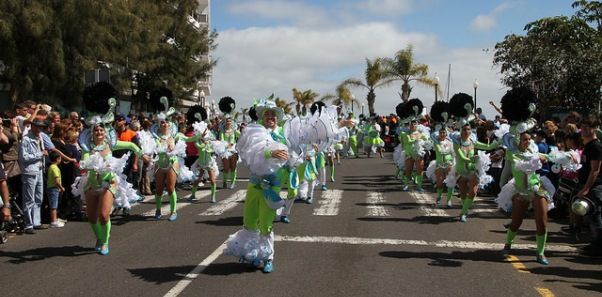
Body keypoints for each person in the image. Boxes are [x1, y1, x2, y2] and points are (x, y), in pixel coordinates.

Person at [18, 117, 48, 234]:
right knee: (29, 198)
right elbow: (23, 157)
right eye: (38, 126)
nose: (40, 129)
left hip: (39, 169)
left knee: (39, 197)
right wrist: (40, 154)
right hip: (29, 171)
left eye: (42, 127)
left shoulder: (39, 137)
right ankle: (28, 224)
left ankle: (36, 222)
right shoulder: (26, 139)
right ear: (33, 126)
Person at [577, 118, 602, 256]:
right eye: (583, 126)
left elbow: (595, 170)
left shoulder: (596, 146)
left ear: (595, 128)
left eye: (588, 127)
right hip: (587, 185)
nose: (585, 129)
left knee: (595, 215)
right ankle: (595, 243)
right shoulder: (588, 145)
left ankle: (598, 247)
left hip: (595, 186)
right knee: (591, 217)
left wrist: (586, 188)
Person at [47, 151, 65, 228]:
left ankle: (55, 219)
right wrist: (62, 188)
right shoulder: (55, 168)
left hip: (51, 188)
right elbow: (57, 181)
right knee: (53, 206)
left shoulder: (51, 167)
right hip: (53, 188)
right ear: (58, 159)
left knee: (55, 204)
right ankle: (53, 221)